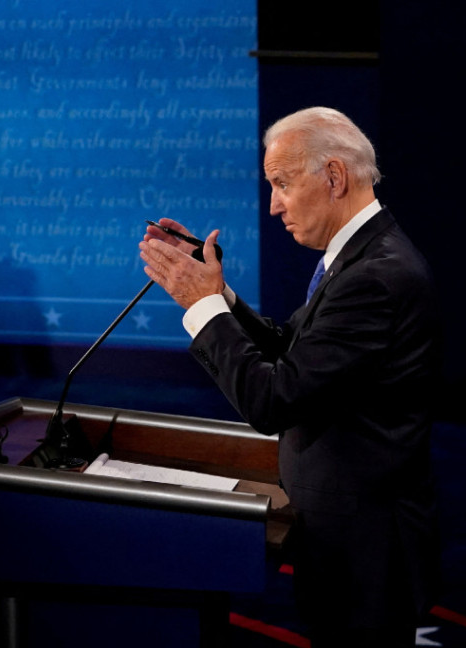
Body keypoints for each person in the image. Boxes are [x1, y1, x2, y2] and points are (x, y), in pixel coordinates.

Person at [138, 107, 440, 646]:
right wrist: (220, 297)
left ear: (334, 176)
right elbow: (295, 353)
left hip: (364, 547)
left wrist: (203, 310)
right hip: (345, 536)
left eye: (281, 183)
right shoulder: (358, 260)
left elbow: (273, 399)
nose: (274, 204)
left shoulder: (375, 275)